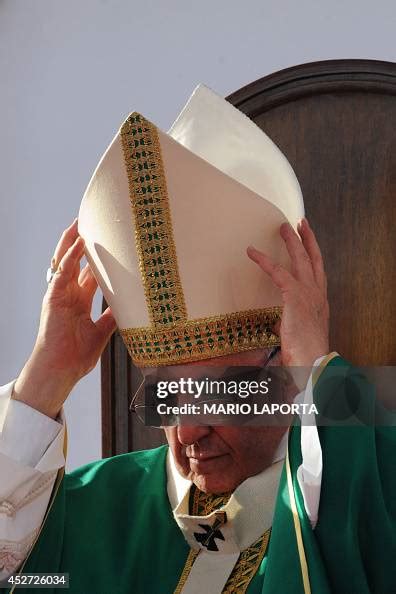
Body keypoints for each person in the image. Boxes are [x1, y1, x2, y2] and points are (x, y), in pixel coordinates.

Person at [1, 87, 395, 593]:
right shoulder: (95, 511)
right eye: (166, 395)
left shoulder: (369, 494)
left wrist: (318, 371)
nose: (186, 432)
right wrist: (45, 380)